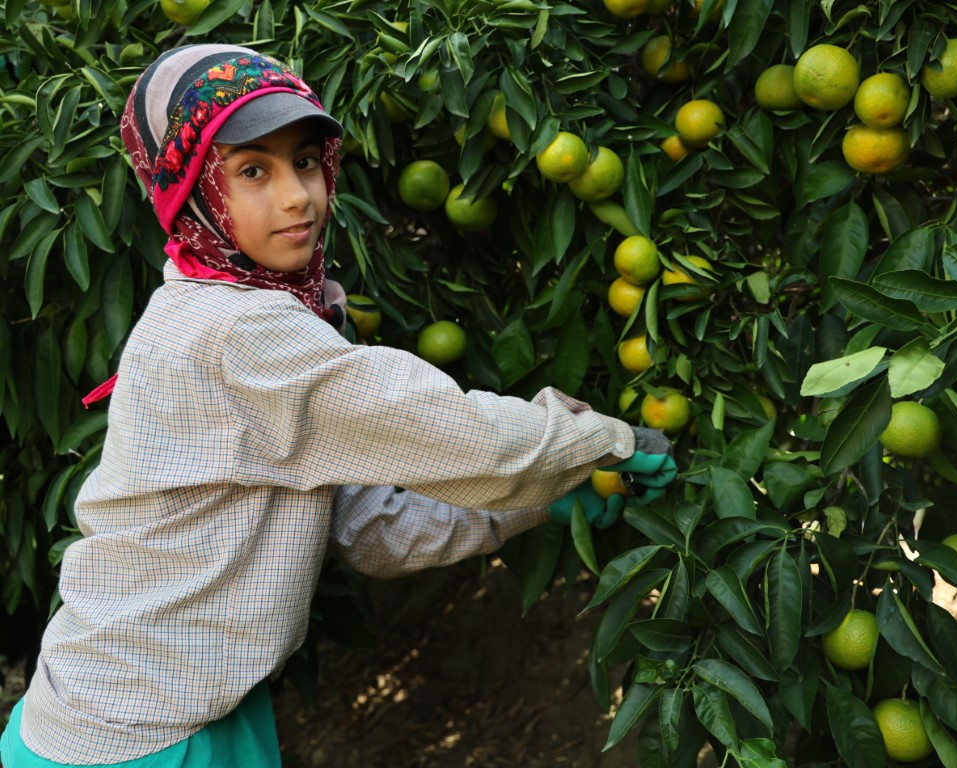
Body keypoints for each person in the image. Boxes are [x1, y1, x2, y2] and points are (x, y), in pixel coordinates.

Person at [0, 44, 676, 766]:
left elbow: (369, 527)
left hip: (156, 709)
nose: (297, 195)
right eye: (252, 170)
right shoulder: (239, 330)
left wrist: (538, 502)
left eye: (306, 161)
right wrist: (605, 439)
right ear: (191, 191)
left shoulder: (245, 309)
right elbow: (459, 437)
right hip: (141, 737)